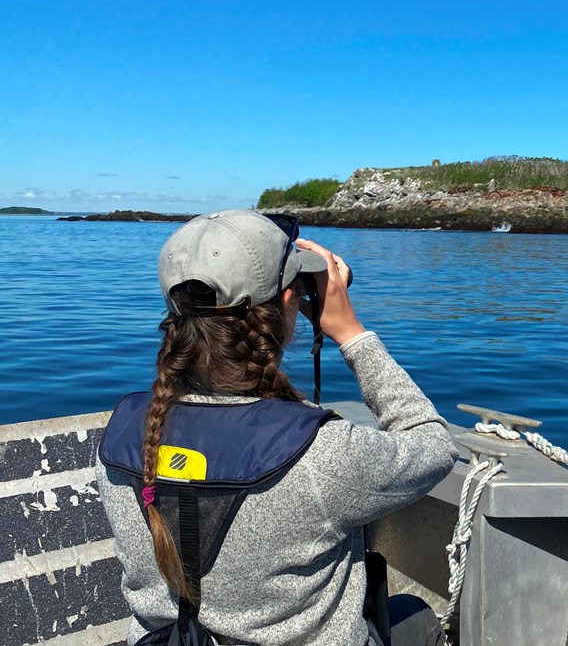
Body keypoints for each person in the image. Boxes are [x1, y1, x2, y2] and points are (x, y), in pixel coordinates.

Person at [96, 209, 459, 645]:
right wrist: (351, 333)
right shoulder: (321, 453)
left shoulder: (123, 434)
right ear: (289, 300)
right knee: (416, 617)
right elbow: (434, 444)